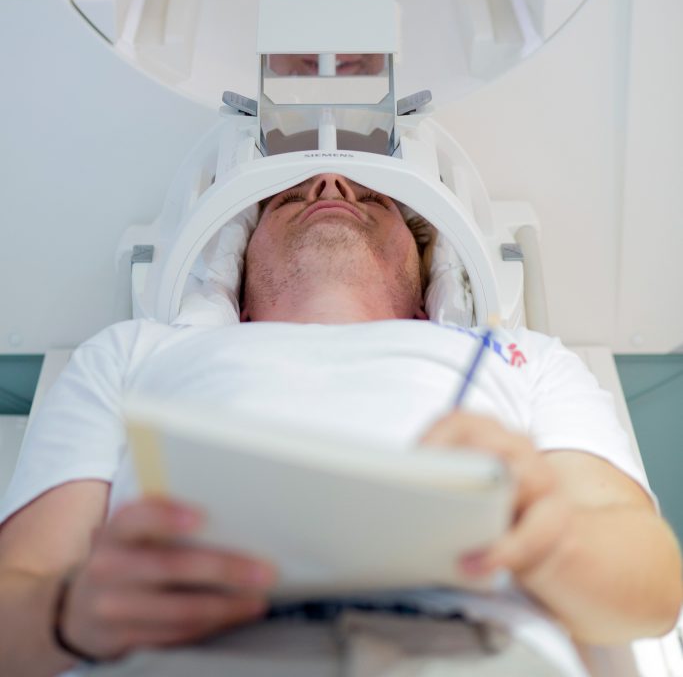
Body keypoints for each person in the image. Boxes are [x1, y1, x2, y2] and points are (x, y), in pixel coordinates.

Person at [0, 174, 680, 677]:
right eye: (287, 198)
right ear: (239, 292)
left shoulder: (522, 359)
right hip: (190, 649)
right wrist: (68, 612)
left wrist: (551, 538)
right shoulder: (134, 352)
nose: (330, 183)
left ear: (424, 300)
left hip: (465, 650)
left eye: (374, 198)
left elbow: (653, 593)